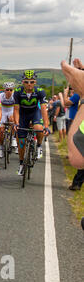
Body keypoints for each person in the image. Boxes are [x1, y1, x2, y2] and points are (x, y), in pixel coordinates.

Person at [13, 70, 50, 176]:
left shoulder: (40, 91)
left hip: (35, 113)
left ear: (35, 82)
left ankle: (38, 146)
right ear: (22, 82)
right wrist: (16, 123)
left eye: (32, 82)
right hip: (22, 115)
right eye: (26, 82)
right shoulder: (17, 91)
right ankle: (21, 165)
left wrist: (46, 126)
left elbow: (43, 109)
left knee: (38, 128)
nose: (29, 84)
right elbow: (16, 110)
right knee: (21, 143)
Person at [60, 59, 84, 190]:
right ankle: (77, 183)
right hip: (76, 120)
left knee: (78, 153)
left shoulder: (76, 96)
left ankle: (77, 183)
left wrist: (63, 94)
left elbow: (65, 103)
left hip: (77, 120)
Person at [0, 82, 17, 157]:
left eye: (11, 90)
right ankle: (1, 147)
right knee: (1, 130)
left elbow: (16, 108)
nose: (9, 91)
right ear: (4, 90)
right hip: (3, 110)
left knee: (12, 120)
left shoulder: (14, 96)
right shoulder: (0, 96)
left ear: (12, 90)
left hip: (11, 110)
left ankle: (12, 138)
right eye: (7, 90)